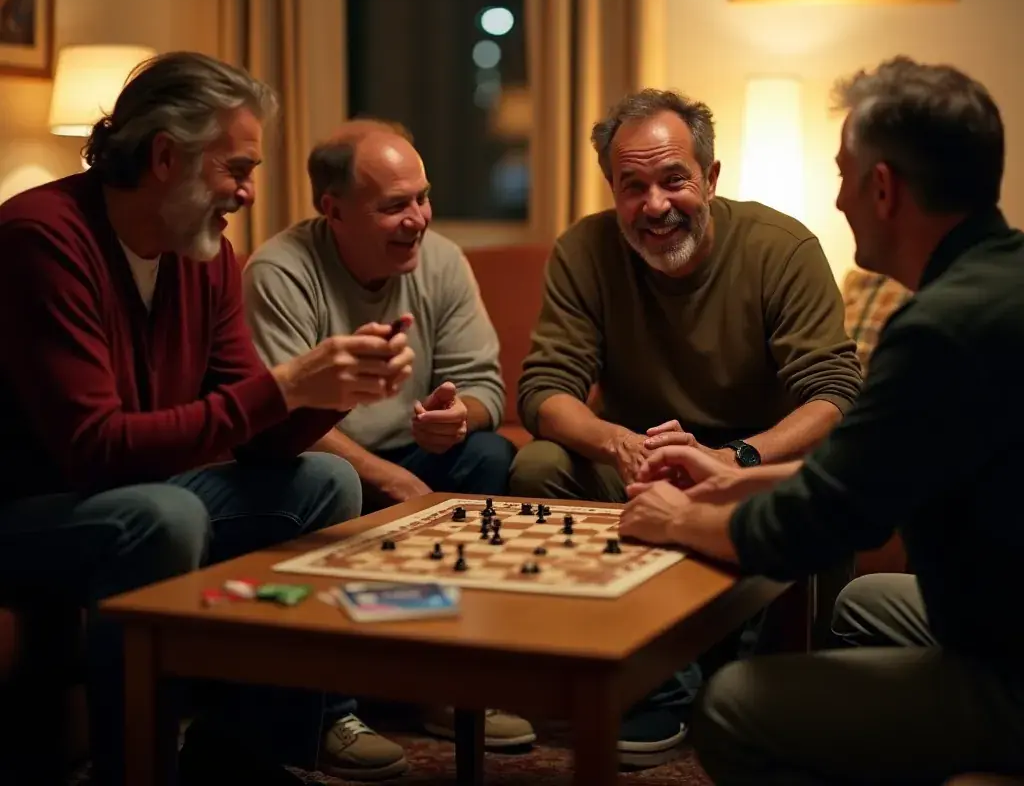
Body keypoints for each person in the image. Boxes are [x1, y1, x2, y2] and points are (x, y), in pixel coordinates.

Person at [0, 53, 416, 786]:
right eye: (238, 169)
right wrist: (285, 387)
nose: (250, 193)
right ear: (166, 157)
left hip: (132, 494)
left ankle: (242, 754)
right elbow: (95, 448)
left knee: (325, 482)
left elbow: (257, 430)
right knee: (164, 515)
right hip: (30, 510)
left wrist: (335, 388)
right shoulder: (41, 238)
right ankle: (137, 768)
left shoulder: (207, 258)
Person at [620, 57, 1024, 785]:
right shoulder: (1002, 284)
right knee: (865, 602)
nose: (837, 199)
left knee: (733, 706)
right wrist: (732, 475)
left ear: (882, 188)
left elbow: (820, 525)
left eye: (844, 175)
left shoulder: (940, 332)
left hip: (1011, 673)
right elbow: (870, 474)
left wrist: (680, 519)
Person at [509, 87, 863, 765]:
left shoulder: (781, 247)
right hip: (638, 467)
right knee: (537, 466)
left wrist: (736, 459)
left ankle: (762, 686)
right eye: (632, 186)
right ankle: (650, 682)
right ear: (613, 191)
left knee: (826, 479)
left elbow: (836, 394)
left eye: (674, 180)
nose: (655, 205)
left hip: (752, 466)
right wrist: (618, 442)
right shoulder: (584, 250)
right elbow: (544, 390)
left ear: (711, 177)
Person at [242, 119, 532, 753]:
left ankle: (449, 682)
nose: (418, 219)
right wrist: (393, 480)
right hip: (322, 461)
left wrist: (458, 416)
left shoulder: (443, 261)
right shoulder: (279, 272)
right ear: (333, 210)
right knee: (327, 480)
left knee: (487, 454)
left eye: (423, 198)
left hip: (413, 453)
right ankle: (331, 712)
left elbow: (486, 387)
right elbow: (278, 418)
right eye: (394, 205)